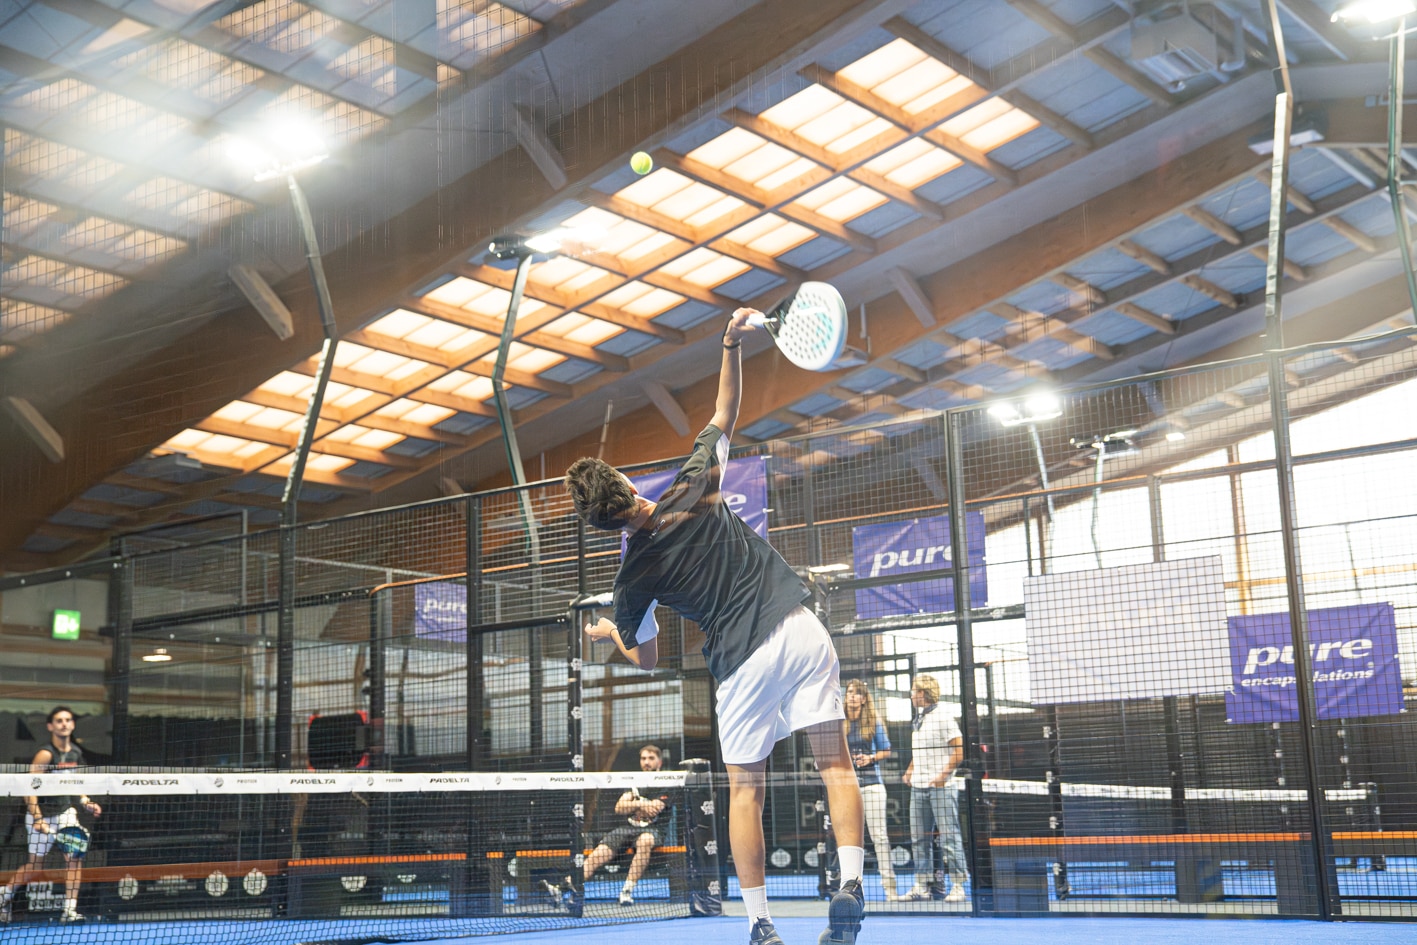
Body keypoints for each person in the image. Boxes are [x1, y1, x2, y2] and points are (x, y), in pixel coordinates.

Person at [564, 308, 866, 945]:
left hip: (743, 661)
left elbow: (644, 659)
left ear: (604, 527)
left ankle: (761, 925)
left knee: (745, 792)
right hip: (802, 626)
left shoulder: (632, 577)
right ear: (625, 482)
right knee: (836, 765)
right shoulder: (695, 483)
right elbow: (725, 411)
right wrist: (729, 342)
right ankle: (850, 881)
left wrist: (605, 634)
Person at [0, 706, 102, 924]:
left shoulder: (75, 753)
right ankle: (3, 896)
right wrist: (37, 818)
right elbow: (29, 788)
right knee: (36, 866)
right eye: (59, 720)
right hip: (42, 816)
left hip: (66, 813)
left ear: (73, 725)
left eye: (67, 720)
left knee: (74, 859)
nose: (64, 724)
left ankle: (69, 911)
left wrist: (86, 801)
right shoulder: (45, 754)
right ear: (50, 726)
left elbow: (74, 784)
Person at [545, 744, 672, 906]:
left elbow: (655, 809)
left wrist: (634, 803)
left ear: (659, 762)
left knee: (645, 841)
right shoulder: (635, 782)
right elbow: (619, 807)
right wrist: (642, 804)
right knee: (600, 852)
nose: (646, 762)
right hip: (627, 829)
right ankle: (561, 889)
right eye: (643, 758)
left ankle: (626, 892)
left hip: (654, 830)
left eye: (651, 758)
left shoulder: (667, 781)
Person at [902, 675, 967, 903]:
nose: (911, 695)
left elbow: (958, 752)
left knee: (949, 837)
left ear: (923, 693)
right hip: (918, 788)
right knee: (919, 838)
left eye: (913, 691)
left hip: (942, 788)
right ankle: (921, 886)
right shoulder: (918, 719)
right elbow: (921, 751)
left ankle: (958, 886)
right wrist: (910, 770)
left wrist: (941, 777)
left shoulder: (944, 717)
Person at [845, 680, 896, 902]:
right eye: (849, 692)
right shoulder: (840, 724)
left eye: (857, 693)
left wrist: (870, 758)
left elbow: (887, 751)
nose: (852, 696)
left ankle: (890, 889)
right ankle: (852, 891)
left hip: (873, 786)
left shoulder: (874, 722)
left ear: (864, 699)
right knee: (850, 841)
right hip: (848, 789)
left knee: (880, 838)